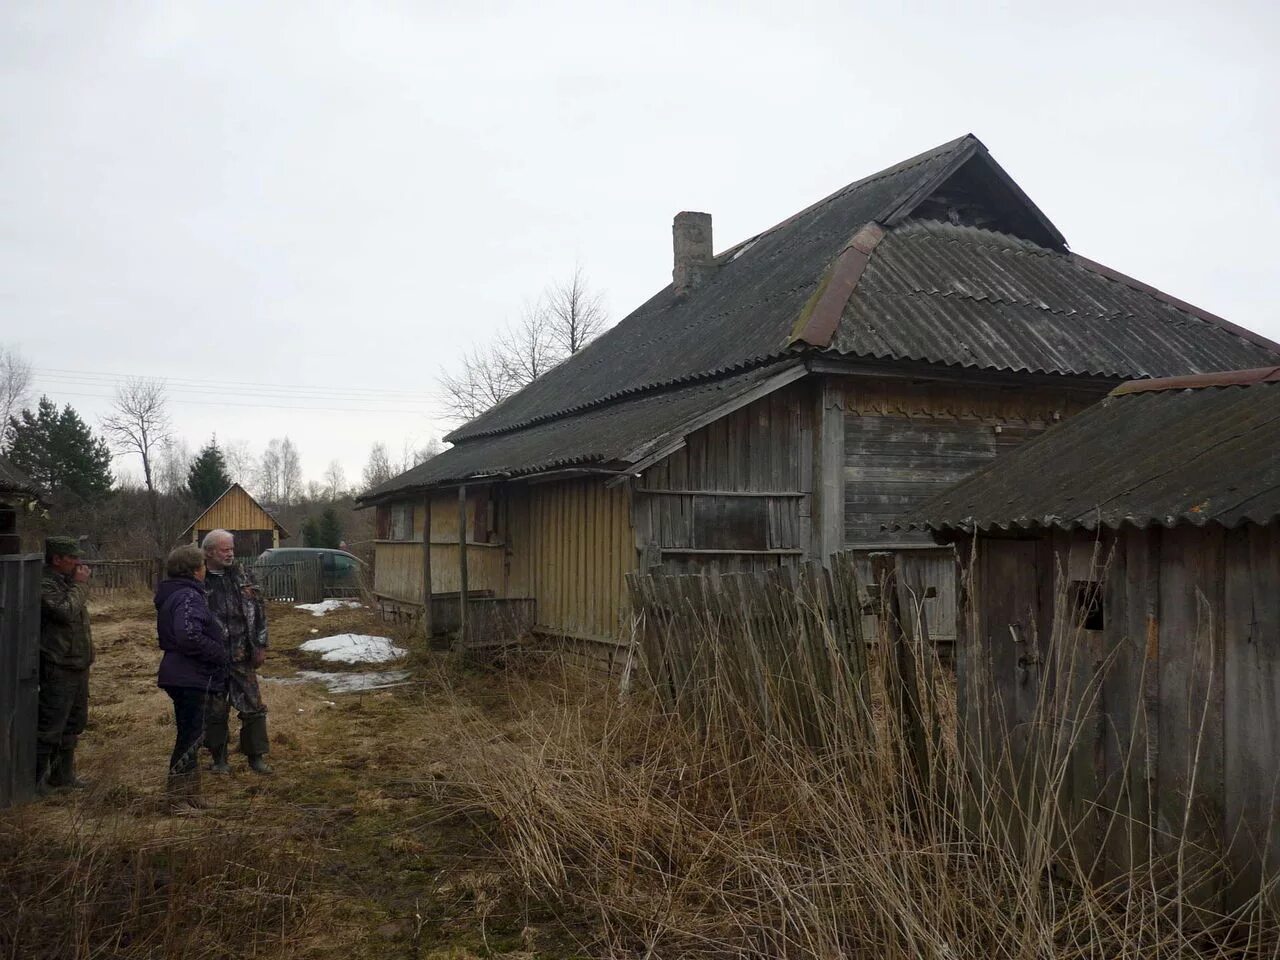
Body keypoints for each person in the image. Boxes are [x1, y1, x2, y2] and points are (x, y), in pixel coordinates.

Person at [155, 544, 229, 810]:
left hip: (185, 674)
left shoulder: (179, 593)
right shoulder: (188, 596)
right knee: (188, 736)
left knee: (194, 736)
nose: (205, 570)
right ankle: (175, 800)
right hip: (189, 675)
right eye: (202, 566)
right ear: (195, 570)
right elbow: (188, 635)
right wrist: (219, 653)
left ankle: (190, 795)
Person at [201, 529, 273, 775]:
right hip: (213, 658)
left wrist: (261, 645)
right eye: (224, 549)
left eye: (231, 549)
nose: (230, 553)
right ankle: (219, 759)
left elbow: (260, 612)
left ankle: (256, 758)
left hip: (243, 654)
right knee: (215, 711)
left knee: (253, 707)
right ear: (209, 552)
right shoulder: (199, 579)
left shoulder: (244, 575)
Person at [36, 536, 93, 795]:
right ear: (57, 559)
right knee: (50, 725)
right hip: (58, 664)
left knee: (74, 723)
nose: (78, 563)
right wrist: (80, 586)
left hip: (77, 663)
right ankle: (36, 781)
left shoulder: (67, 583)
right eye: (72, 558)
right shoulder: (45, 583)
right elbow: (65, 611)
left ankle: (63, 776)